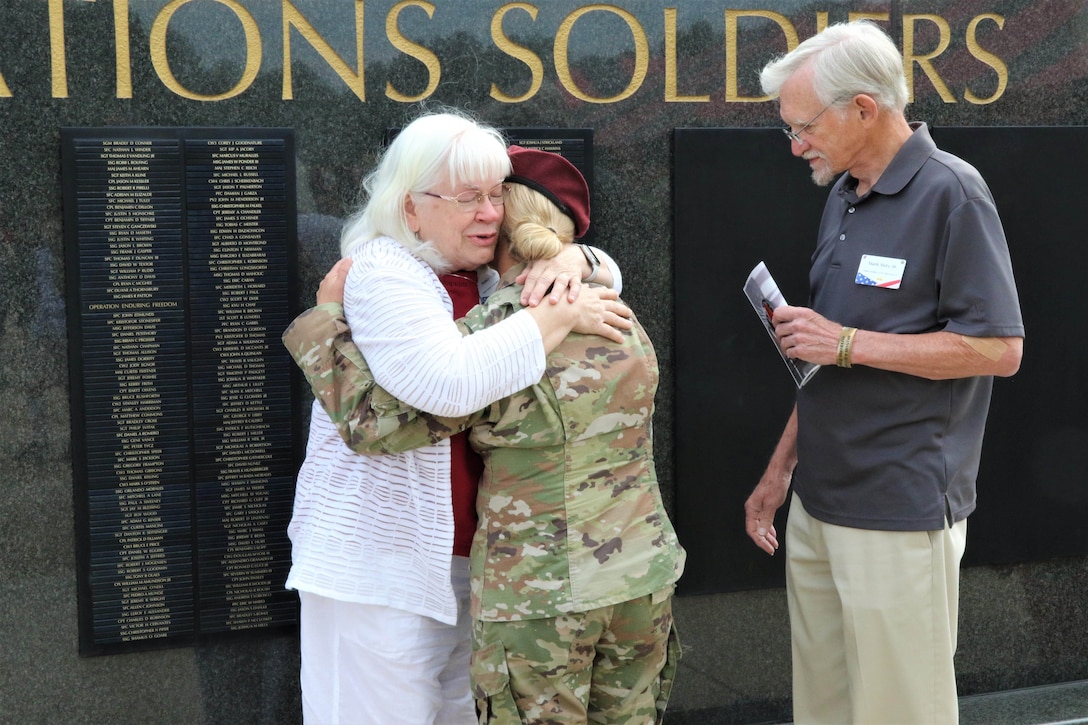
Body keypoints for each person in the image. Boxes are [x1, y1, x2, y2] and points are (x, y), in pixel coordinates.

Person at [285, 145, 685, 724]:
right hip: (641, 579)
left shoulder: (498, 331)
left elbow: (384, 426)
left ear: (506, 230)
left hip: (542, 596)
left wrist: (323, 320)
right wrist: (585, 264)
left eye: (492, 200)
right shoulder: (619, 317)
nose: (483, 215)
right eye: (471, 199)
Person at [742, 20, 1024, 725]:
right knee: (826, 709)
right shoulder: (843, 194)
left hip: (898, 510)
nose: (796, 144)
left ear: (864, 109)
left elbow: (1000, 348)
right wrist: (780, 473)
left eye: (804, 126)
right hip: (818, 503)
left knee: (901, 712)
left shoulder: (952, 193)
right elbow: (825, 360)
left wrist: (847, 342)